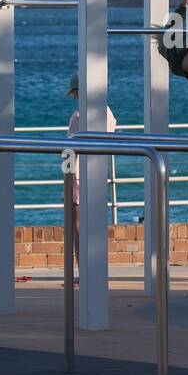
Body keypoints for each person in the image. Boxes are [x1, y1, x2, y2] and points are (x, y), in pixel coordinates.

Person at [65, 72, 118, 268]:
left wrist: (66, 177)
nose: (74, 97)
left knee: (78, 226)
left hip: (78, 176)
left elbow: (68, 150)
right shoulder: (108, 113)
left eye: (75, 93)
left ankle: (83, 270)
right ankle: (97, 268)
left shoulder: (78, 116)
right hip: (98, 175)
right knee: (95, 226)